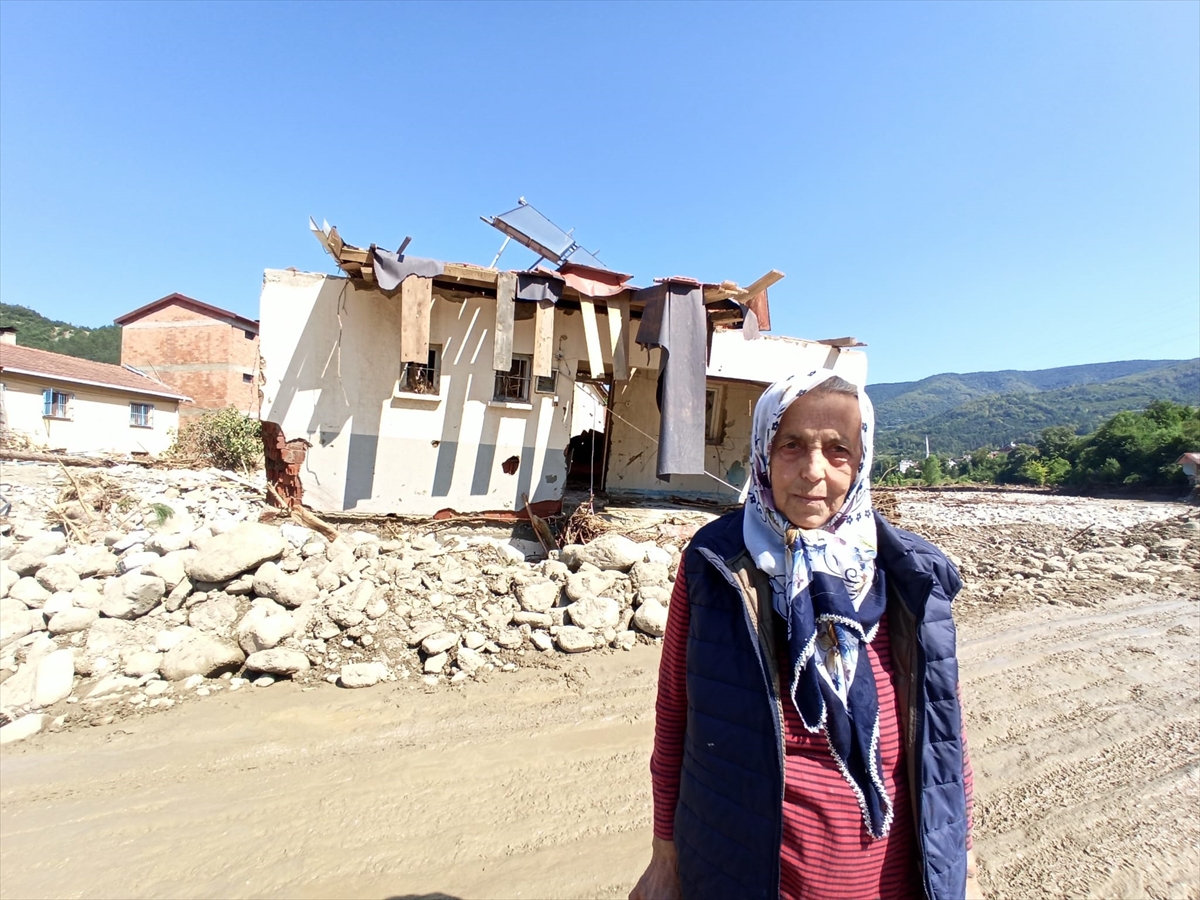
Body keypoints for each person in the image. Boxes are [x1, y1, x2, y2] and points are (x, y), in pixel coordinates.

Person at [630, 371, 982, 900]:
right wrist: (665, 854)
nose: (812, 471)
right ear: (763, 451)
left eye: (838, 450)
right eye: (791, 445)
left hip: (884, 877)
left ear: (862, 461)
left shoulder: (911, 573)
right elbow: (676, 715)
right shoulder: (715, 563)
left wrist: (963, 866)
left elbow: (941, 731)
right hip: (741, 866)